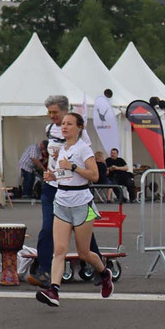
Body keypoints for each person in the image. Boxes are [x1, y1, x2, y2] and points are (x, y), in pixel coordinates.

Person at [35, 112, 114, 306]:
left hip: (82, 203)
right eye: (63, 123)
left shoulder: (83, 149)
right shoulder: (62, 149)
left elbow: (95, 176)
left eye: (69, 124)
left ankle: (104, 273)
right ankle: (53, 291)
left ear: (79, 127)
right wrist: (53, 177)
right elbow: (65, 175)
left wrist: (73, 167)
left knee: (84, 253)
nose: (64, 127)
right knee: (59, 250)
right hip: (62, 201)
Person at [30, 95, 101, 288]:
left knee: (83, 236)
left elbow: (87, 164)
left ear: (65, 111)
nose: (52, 116)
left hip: (77, 191)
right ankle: (45, 272)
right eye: (49, 112)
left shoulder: (80, 138)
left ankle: (99, 267)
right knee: (47, 229)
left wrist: (72, 168)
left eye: (55, 112)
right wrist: (52, 174)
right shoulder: (50, 129)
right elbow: (56, 157)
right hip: (54, 188)